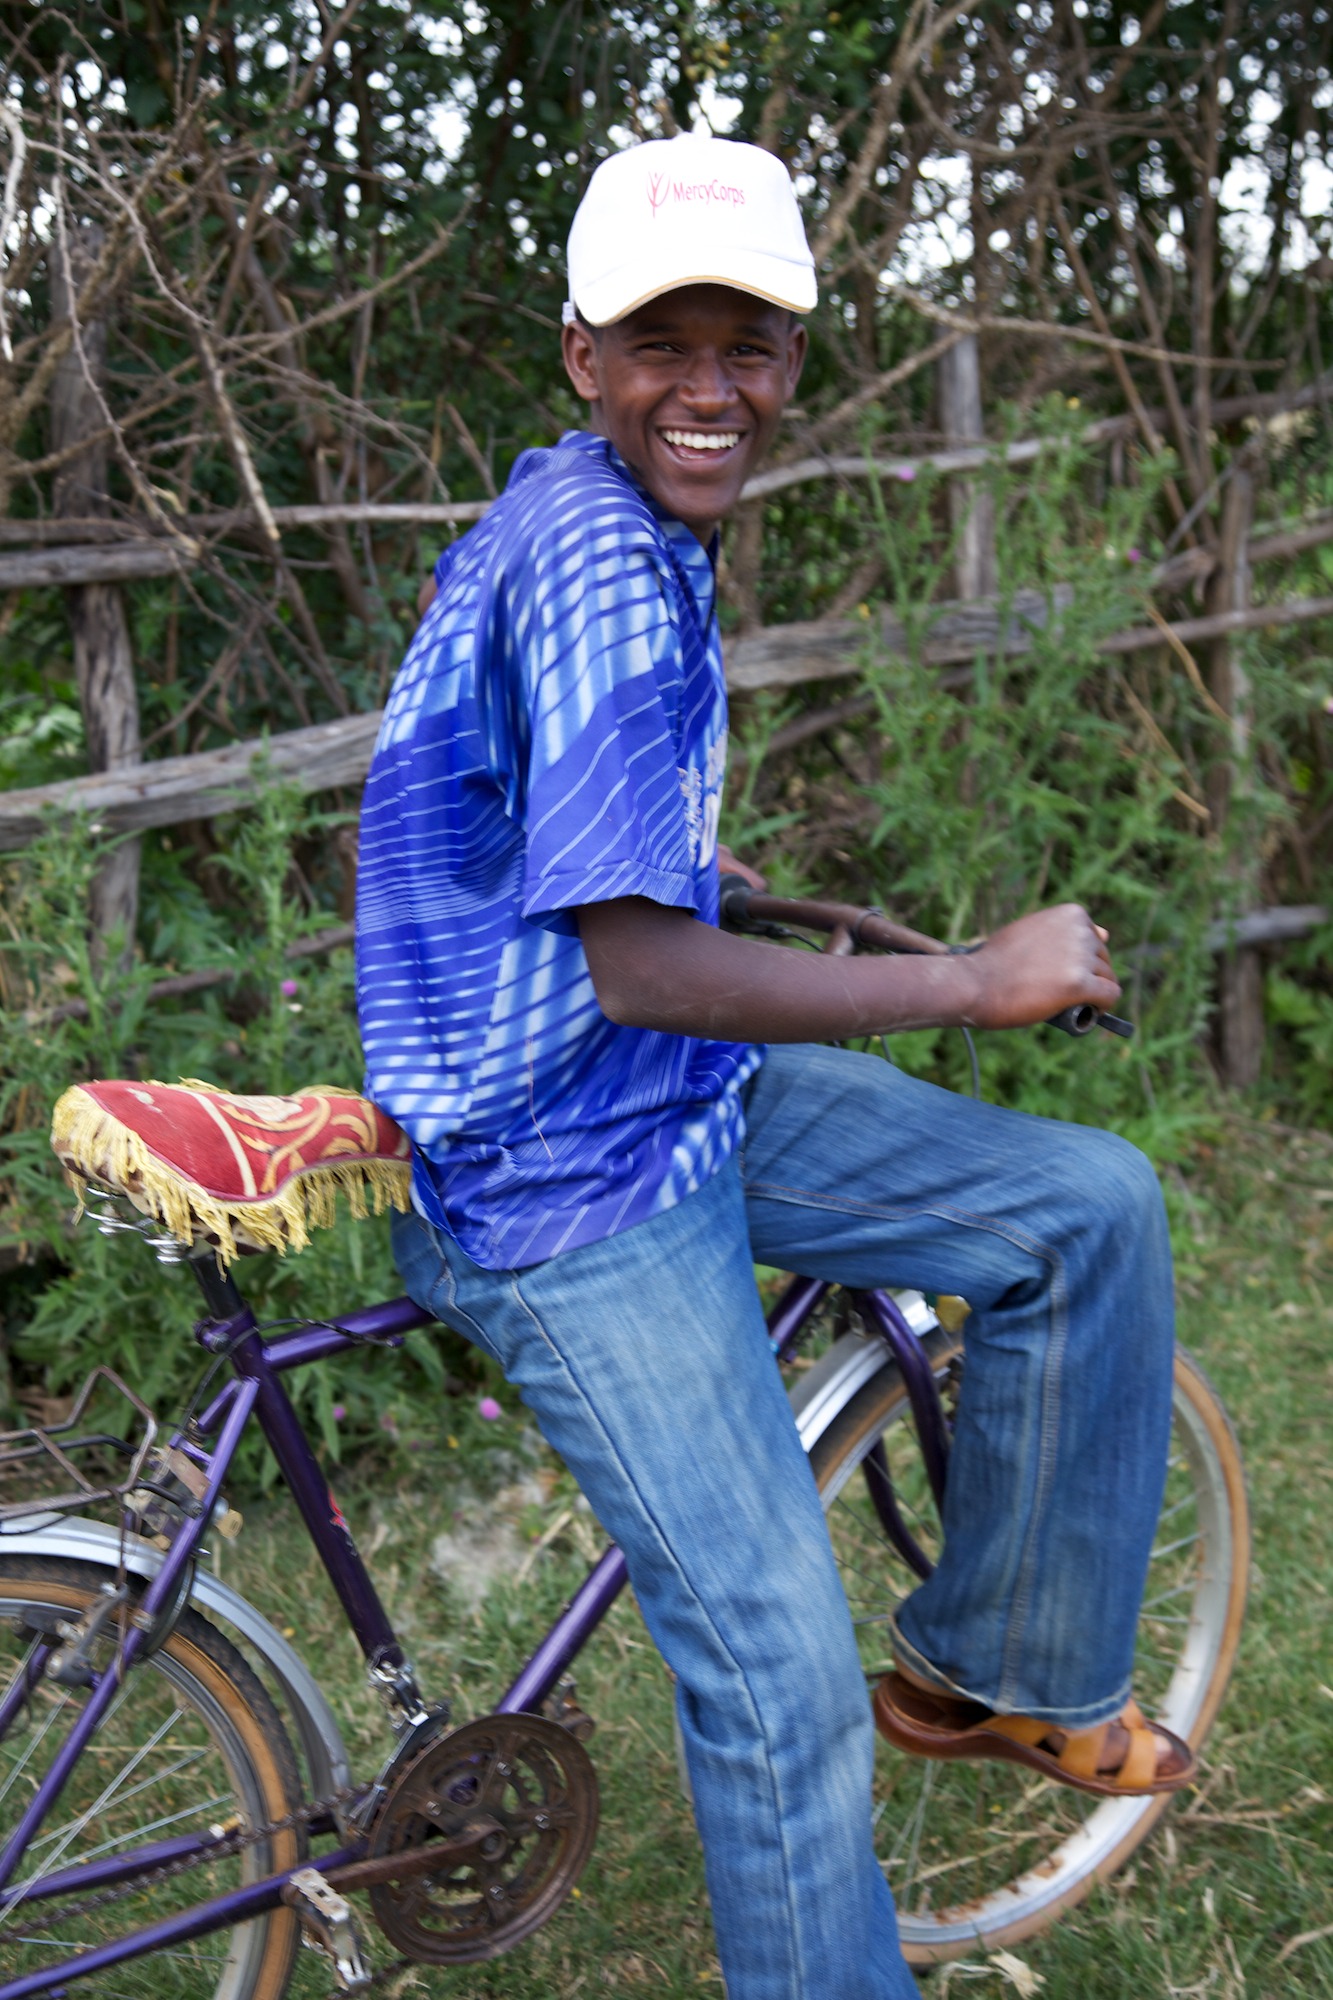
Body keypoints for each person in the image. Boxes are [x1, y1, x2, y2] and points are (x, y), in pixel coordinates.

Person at [356, 132, 1191, 2000]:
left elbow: (586, 849)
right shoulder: (595, 567)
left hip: (658, 1102)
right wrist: (973, 981)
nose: (710, 389)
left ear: (794, 362)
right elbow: (644, 974)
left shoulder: (600, 514)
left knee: (1083, 1207)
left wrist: (735, 875)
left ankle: (993, 1675)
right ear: (584, 353)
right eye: (665, 345)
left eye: (752, 347)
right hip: (553, 1170)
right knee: (774, 1676)